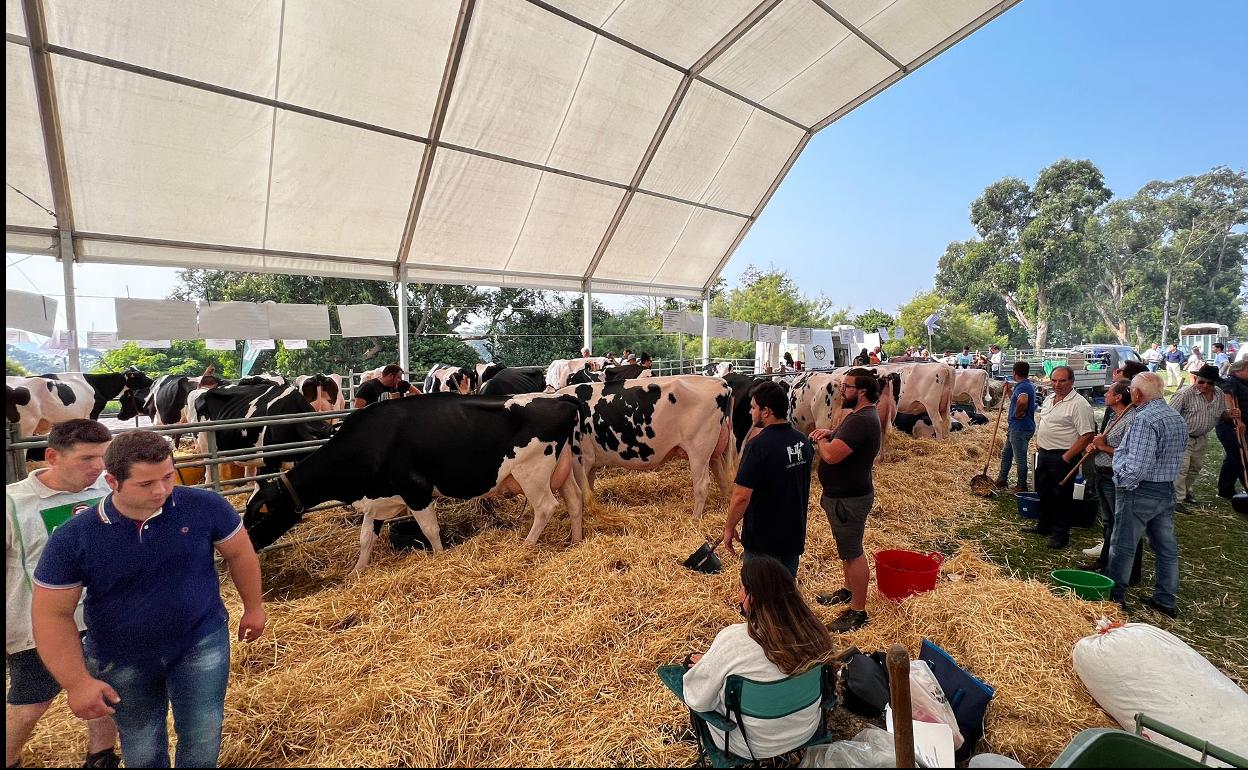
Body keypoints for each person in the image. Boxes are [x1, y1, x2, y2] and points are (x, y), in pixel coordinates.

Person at [31, 431, 266, 768]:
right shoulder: (75, 536)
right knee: (141, 746)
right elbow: (52, 613)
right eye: (145, 484)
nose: (161, 491)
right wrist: (77, 683)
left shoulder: (204, 506)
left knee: (203, 733)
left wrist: (254, 607)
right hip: (121, 656)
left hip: (200, 642)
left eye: (168, 477)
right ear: (112, 481)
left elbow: (241, 553)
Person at [7, 420, 119, 769]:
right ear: (53, 456)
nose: (99, 467)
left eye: (104, 456)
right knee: (32, 701)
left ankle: (101, 758)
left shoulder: (110, 489)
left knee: (108, 692)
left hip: (104, 615)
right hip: (39, 624)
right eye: (87, 458)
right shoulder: (14, 503)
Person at [680, 557, 834, 760]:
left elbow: (699, 701)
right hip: (805, 731)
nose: (738, 595)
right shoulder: (814, 633)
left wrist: (708, 668)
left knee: (689, 666)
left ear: (752, 597)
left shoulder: (733, 639)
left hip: (750, 745)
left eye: (741, 589)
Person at [1108, 373, 1187, 616]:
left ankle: (1114, 598)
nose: (1131, 392)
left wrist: (1122, 480)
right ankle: (1165, 598)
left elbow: (1138, 466)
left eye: (1132, 389)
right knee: (1166, 547)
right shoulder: (1176, 417)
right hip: (1166, 488)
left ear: (1138, 394)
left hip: (1140, 489)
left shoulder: (1144, 420)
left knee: (1123, 545)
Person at [809, 369, 882, 633]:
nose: (842, 391)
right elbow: (842, 441)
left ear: (861, 391)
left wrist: (821, 440)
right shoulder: (859, 416)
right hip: (845, 495)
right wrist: (830, 432)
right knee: (846, 549)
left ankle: (858, 612)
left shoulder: (861, 420)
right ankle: (849, 590)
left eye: (846, 386)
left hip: (849, 498)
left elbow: (831, 456)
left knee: (853, 553)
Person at [721, 382, 812, 579]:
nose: (750, 412)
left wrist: (729, 527)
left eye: (753, 407)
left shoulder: (758, 446)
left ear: (766, 412)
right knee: (785, 592)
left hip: (763, 539)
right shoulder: (802, 442)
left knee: (757, 594)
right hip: (794, 533)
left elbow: (741, 496)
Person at [1024, 366, 1095, 549]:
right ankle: (1044, 525)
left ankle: (1060, 535)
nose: (1057, 385)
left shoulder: (1079, 404)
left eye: (1062, 381)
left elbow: (1087, 435)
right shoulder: (1049, 398)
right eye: (1054, 380)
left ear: (1071, 382)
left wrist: (1066, 457)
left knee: (1061, 497)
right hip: (1045, 453)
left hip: (1063, 456)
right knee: (1043, 491)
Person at [1081, 381, 1143, 582]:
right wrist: (1096, 446)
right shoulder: (1116, 416)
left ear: (1118, 397)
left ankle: (1129, 573)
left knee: (1122, 524)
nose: (1105, 394)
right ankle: (1105, 561)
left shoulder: (1132, 419)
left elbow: (1131, 454)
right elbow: (1104, 442)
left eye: (1109, 392)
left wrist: (1102, 448)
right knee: (1109, 522)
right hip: (1102, 473)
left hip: (1115, 475)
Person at [1170, 364, 1232, 511]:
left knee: (1195, 468)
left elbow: (1222, 413)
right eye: (1201, 381)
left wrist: (1229, 415)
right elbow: (1169, 416)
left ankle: (1184, 492)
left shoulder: (1218, 394)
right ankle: (1176, 500)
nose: (1205, 386)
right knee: (1181, 468)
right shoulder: (1184, 394)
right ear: (1195, 379)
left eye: (1210, 383)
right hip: (1182, 436)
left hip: (1202, 437)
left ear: (1215, 383)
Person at [995, 361, 1036, 492]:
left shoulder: (1023, 387)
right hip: (1017, 427)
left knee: (1020, 458)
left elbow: (1022, 401)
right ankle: (1002, 480)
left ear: (1014, 372)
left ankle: (1021, 485)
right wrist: (1008, 392)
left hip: (1020, 428)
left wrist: (1018, 413)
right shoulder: (1024, 385)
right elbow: (1017, 399)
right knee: (1007, 453)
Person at [1215, 358, 1247, 501]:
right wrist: (1237, 421)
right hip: (1231, 426)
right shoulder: (1230, 381)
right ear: (1239, 370)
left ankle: (1226, 489)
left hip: (1241, 426)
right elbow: (1229, 402)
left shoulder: (1243, 383)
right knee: (1241, 457)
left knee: (1232, 457)